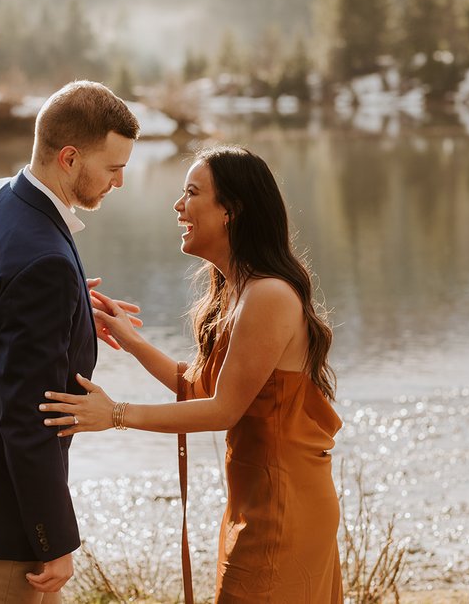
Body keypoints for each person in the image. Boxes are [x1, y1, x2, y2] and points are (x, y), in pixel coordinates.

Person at [39, 145, 344, 604]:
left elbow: (222, 410)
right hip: (256, 502)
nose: (178, 206)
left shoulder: (269, 296)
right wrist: (132, 340)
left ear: (231, 212)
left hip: (285, 507)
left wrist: (115, 414)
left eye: (192, 193)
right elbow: (203, 389)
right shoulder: (238, 291)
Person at [0, 80, 140, 604]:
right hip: (8, 509)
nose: (121, 181)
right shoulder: (44, 260)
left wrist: (66, 311)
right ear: (69, 158)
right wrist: (53, 537)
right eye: (113, 168)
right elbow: (30, 416)